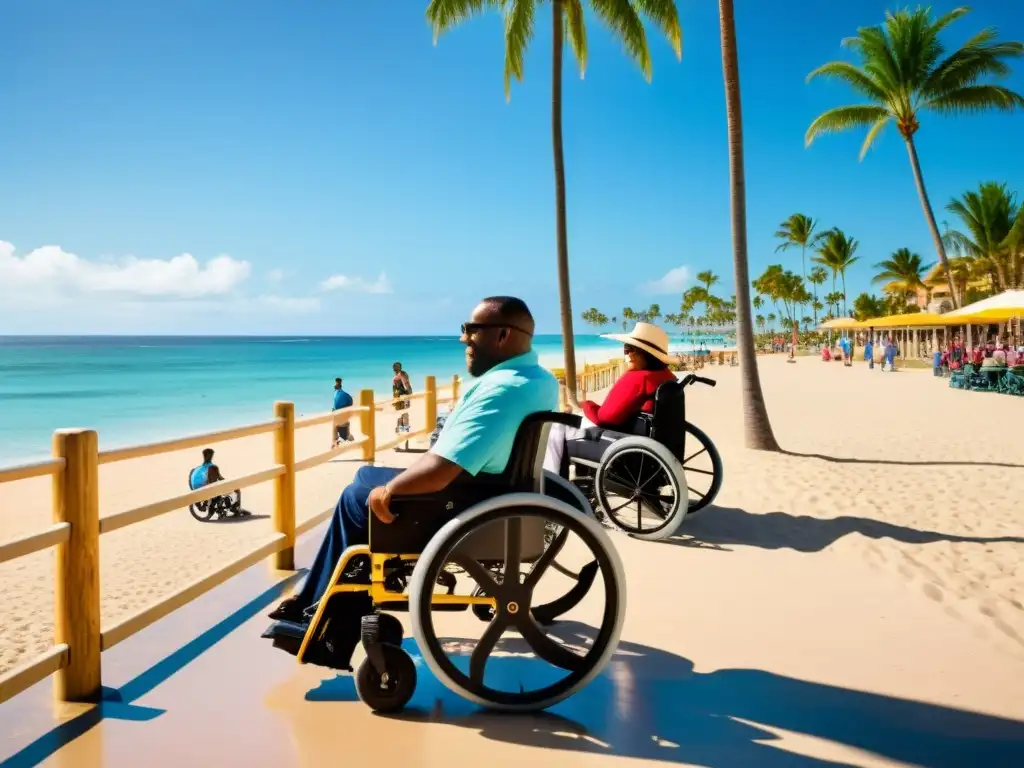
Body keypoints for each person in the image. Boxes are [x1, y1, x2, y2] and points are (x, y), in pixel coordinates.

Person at [269, 296, 557, 624]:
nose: (464, 339)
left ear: (503, 335)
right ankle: (316, 596)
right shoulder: (537, 378)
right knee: (364, 474)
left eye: (471, 330)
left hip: (464, 499)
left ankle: (324, 612)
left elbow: (443, 468)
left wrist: (390, 491)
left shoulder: (502, 390)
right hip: (485, 487)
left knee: (355, 500)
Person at [543, 322, 676, 477]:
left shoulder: (637, 378)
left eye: (630, 349)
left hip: (623, 442)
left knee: (555, 430)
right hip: (647, 440)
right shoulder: (666, 377)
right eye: (626, 348)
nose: (627, 354)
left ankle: (556, 482)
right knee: (566, 422)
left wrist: (585, 405)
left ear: (645, 354)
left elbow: (605, 419)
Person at [332, 378, 354, 446]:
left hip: (340, 418)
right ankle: (338, 439)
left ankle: (336, 440)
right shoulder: (343, 394)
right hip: (343, 417)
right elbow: (350, 401)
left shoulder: (338, 394)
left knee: (336, 426)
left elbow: (335, 406)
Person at [392, 362, 412, 434]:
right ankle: (403, 433)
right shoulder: (402, 375)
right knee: (404, 415)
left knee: (401, 415)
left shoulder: (396, 377)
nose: (395, 369)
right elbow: (407, 386)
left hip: (400, 397)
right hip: (403, 397)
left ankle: (401, 433)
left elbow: (395, 391)